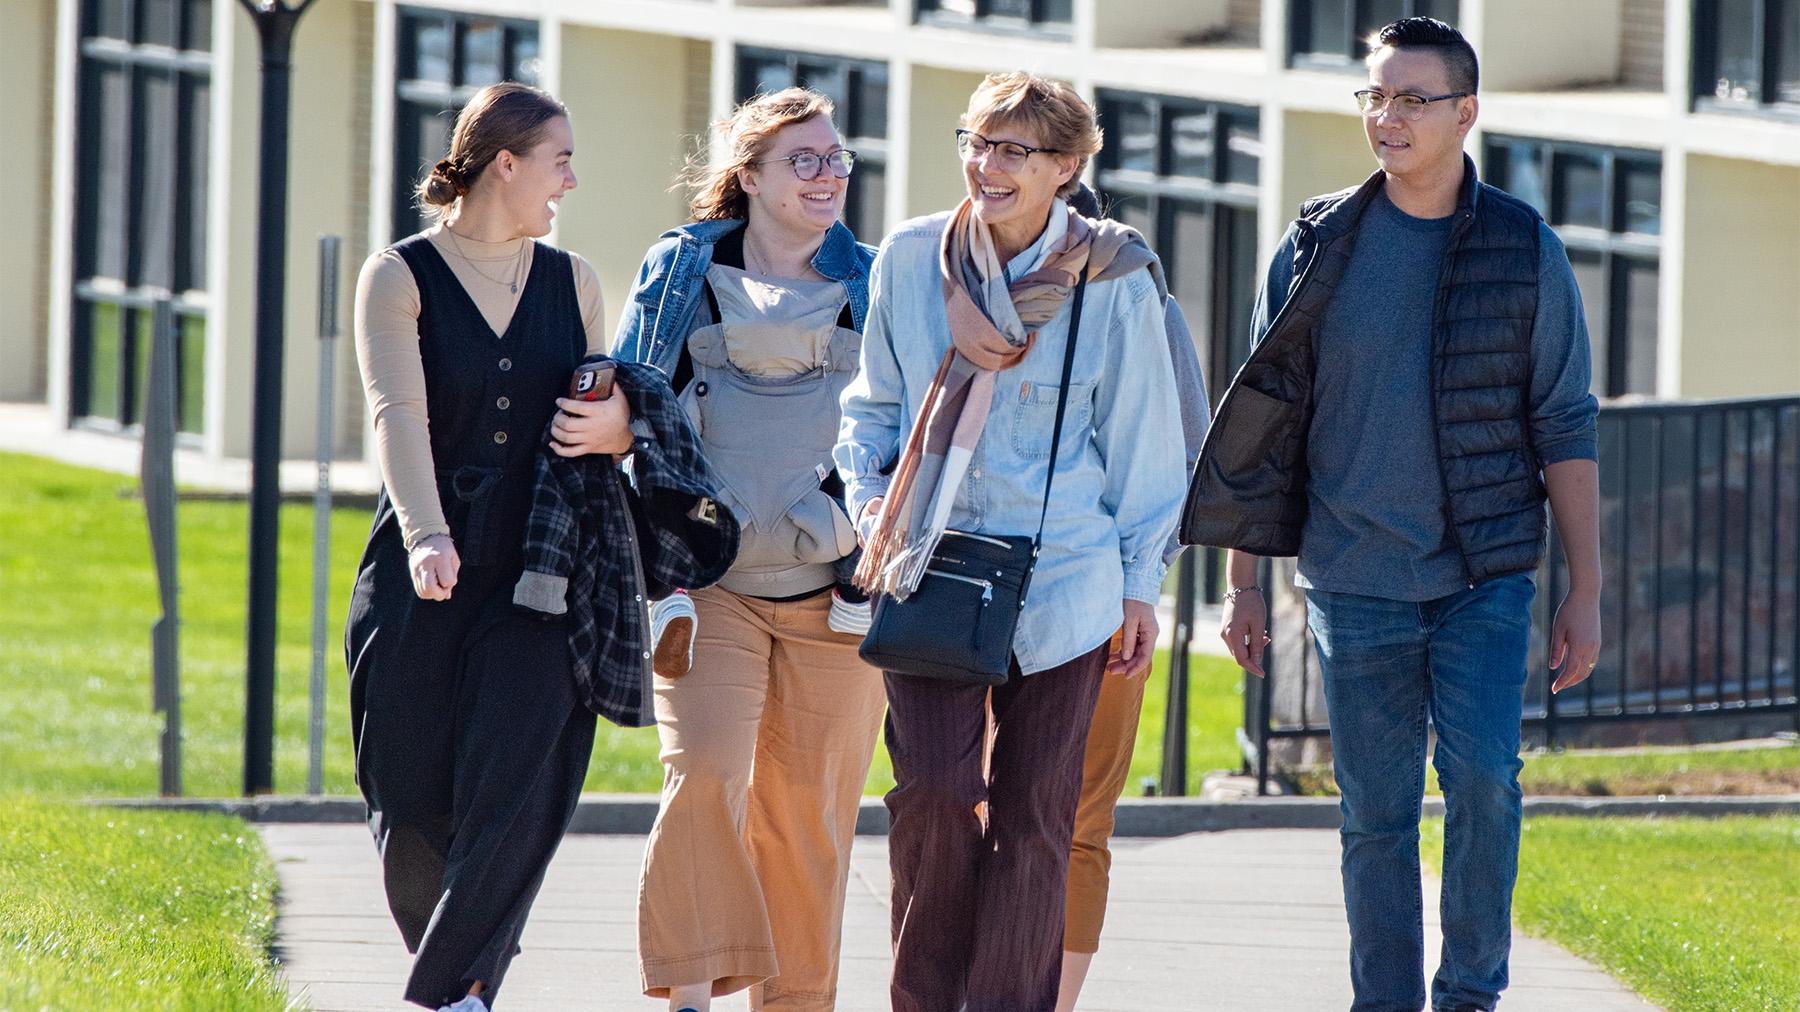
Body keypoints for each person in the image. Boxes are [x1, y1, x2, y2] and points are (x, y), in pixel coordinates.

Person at [1187, 18, 1602, 1012]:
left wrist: (1585, 587)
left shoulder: (1523, 247)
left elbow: (1564, 418)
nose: (1389, 117)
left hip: (1483, 577)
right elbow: (1263, 412)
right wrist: (1242, 582)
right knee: (1374, 814)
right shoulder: (1314, 242)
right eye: (1375, 96)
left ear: (1466, 112)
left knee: (1485, 785)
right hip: (1351, 578)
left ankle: (1468, 994)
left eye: (1413, 99)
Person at [836, 71, 1187, 1011]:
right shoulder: (911, 259)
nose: (984, 165)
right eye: (975, 141)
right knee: (938, 799)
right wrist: (874, 506)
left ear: (1068, 167)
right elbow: (870, 409)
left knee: (1038, 825)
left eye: (1012, 150)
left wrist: (1138, 587)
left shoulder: (1115, 278)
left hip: (1067, 583)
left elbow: (1147, 447)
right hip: (929, 570)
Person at [345, 82, 630, 1012]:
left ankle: (451, 997)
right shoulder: (399, 275)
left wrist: (619, 429)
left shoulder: (574, 280)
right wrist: (427, 533)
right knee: (410, 793)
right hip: (423, 562)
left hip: (545, 570)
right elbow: (399, 413)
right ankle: (453, 976)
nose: (571, 180)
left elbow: (598, 410)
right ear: (505, 164)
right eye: (560, 160)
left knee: (518, 788)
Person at [611, 87, 883, 1012]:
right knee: (705, 775)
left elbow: (912, 428)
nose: (828, 176)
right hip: (707, 588)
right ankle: (691, 998)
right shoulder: (681, 268)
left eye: (837, 159)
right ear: (750, 176)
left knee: (807, 822)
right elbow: (636, 393)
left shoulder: (877, 283)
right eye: (803, 160)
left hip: (840, 592)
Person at [1054, 184, 1212, 1012]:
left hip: (1111, 597)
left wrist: (1139, 581)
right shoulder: (952, 276)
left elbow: (1185, 452)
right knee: (969, 803)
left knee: (1082, 818)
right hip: (980, 595)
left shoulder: (1143, 294)